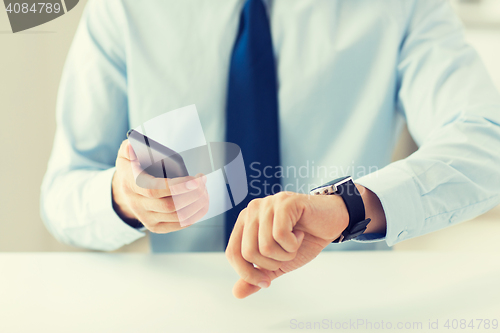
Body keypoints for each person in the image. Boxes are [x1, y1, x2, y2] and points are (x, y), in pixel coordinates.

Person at [41, 0, 500, 299]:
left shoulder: (405, 6)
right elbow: (64, 192)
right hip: (181, 305)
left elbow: (487, 141)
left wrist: (347, 207)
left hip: (350, 303)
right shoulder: (123, 8)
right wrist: (124, 199)